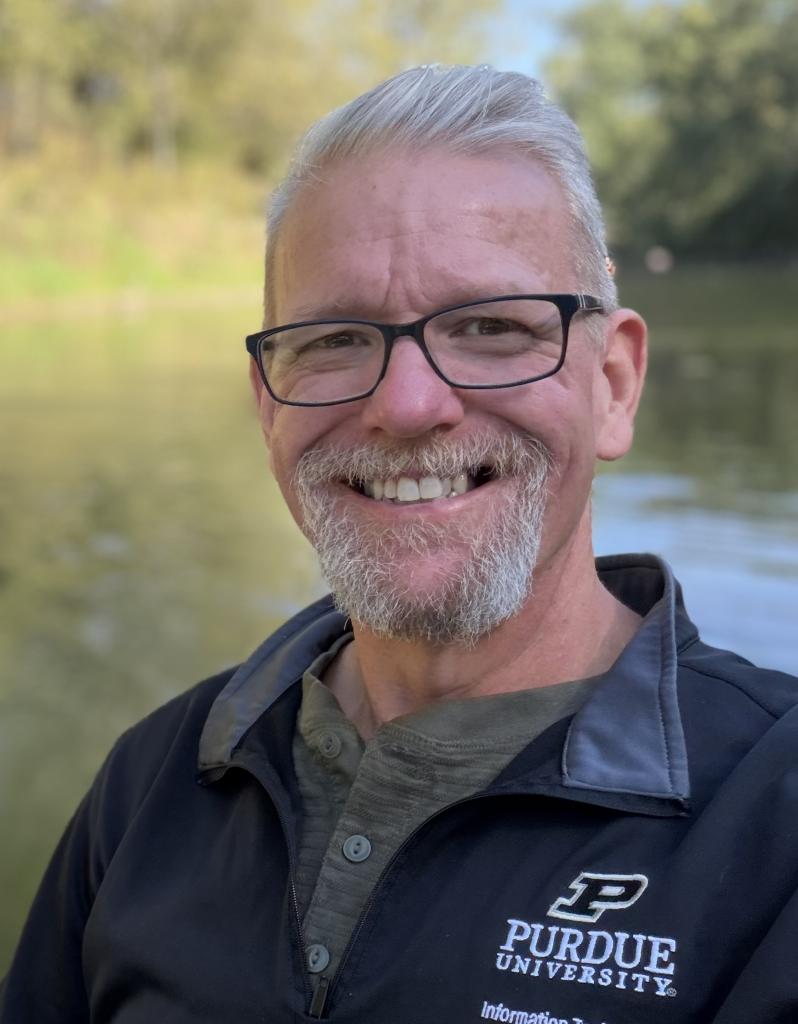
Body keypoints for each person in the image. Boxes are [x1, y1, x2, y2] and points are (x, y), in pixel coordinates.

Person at [2, 64, 797, 1024]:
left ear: (614, 385)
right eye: (334, 339)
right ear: (268, 405)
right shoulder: (153, 783)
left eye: (491, 327)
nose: (408, 405)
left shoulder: (773, 822)